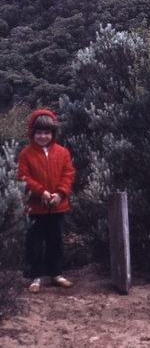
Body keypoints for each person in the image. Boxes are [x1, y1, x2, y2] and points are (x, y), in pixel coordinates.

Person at [17, 109, 76, 293]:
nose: (43, 136)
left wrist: (59, 193)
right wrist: (41, 192)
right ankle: (35, 276)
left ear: (53, 134)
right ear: (32, 133)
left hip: (57, 207)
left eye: (47, 132)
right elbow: (23, 178)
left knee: (55, 241)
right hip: (34, 208)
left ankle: (56, 273)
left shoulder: (63, 152)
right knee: (34, 243)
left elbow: (68, 175)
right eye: (39, 132)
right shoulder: (25, 155)